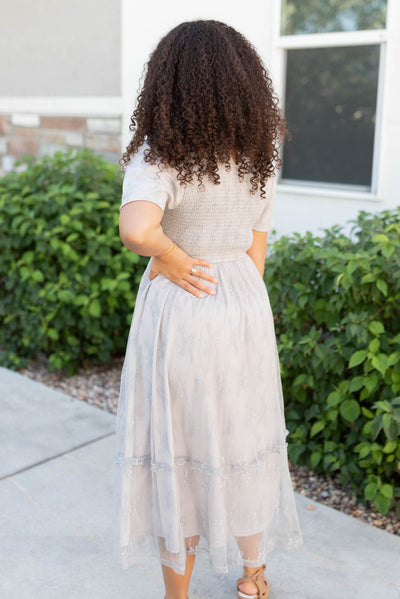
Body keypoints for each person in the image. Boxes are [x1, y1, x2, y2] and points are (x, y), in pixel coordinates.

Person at [113, 18, 304, 599]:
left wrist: (171, 256)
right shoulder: (258, 151)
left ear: (167, 83)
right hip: (242, 303)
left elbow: (137, 228)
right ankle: (253, 577)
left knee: (183, 447)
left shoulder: (163, 150)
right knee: (242, 437)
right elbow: (257, 244)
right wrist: (237, 302)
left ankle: (179, 595)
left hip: (184, 306)